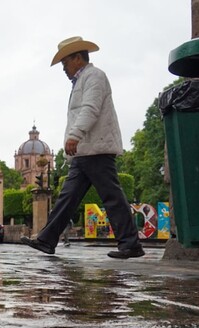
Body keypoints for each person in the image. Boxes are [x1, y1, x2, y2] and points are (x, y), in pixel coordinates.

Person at [21, 36, 144, 259]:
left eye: (65, 62)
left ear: (78, 57)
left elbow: (90, 108)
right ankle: (47, 240)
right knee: (68, 198)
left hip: (96, 149)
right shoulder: (82, 80)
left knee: (111, 196)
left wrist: (74, 136)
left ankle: (131, 244)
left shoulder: (94, 76)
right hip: (85, 150)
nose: (64, 68)